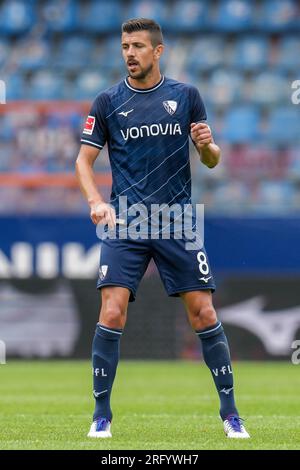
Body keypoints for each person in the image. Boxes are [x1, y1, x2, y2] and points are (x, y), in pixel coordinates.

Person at [75, 18, 250, 439]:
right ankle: (101, 416)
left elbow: (211, 159)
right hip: (127, 222)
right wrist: (96, 202)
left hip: (177, 221)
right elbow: (83, 161)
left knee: (204, 312)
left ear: (158, 51)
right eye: (124, 46)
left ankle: (230, 415)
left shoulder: (186, 96)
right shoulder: (107, 102)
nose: (129, 53)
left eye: (137, 46)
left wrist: (207, 145)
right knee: (112, 311)